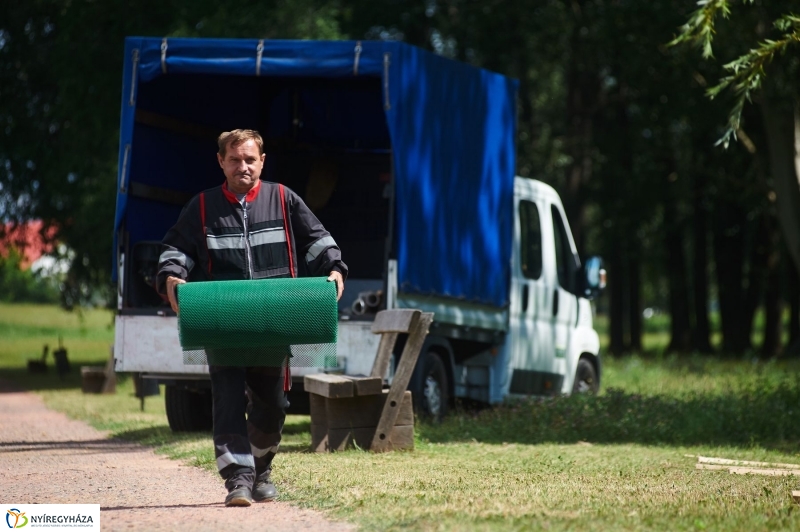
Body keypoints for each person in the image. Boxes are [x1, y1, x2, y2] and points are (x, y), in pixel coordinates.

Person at [156, 129, 347, 507]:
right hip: (222, 320)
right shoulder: (202, 207)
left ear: (262, 161)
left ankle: (261, 469)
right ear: (221, 162)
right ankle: (238, 480)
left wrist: (335, 269)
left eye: (249, 159)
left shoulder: (282, 198)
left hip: (272, 319)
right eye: (234, 159)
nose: (242, 166)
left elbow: (318, 239)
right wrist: (172, 277)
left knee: (273, 404)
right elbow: (175, 248)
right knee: (227, 401)